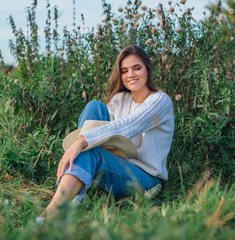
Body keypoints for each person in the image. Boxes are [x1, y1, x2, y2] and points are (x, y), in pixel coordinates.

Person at [37, 44, 174, 222]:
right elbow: (101, 131)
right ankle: (80, 191)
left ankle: (50, 214)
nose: (130, 75)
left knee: (89, 146)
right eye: (124, 70)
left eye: (137, 68)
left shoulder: (160, 101)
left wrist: (81, 141)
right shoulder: (120, 99)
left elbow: (129, 125)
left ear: (147, 70)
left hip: (146, 180)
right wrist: (85, 140)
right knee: (95, 107)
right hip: (118, 165)